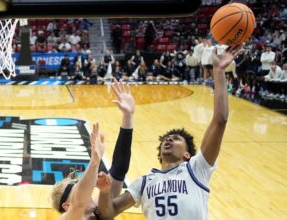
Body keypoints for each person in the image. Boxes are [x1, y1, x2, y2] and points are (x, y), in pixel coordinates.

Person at [98, 46, 243, 220]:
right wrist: (105, 192)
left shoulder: (197, 169)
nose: (168, 139)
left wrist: (218, 71)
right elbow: (108, 213)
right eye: (167, 139)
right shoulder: (144, 183)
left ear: (188, 154)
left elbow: (220, 120)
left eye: (175, 139)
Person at [51, 79, 135, 219]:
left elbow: (119, 170)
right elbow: (79, 203)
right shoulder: (67, 217)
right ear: (66, 206)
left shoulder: (98, 209)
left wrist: (128, 117)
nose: (86, 189)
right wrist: (95, 161)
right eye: (76, 187)